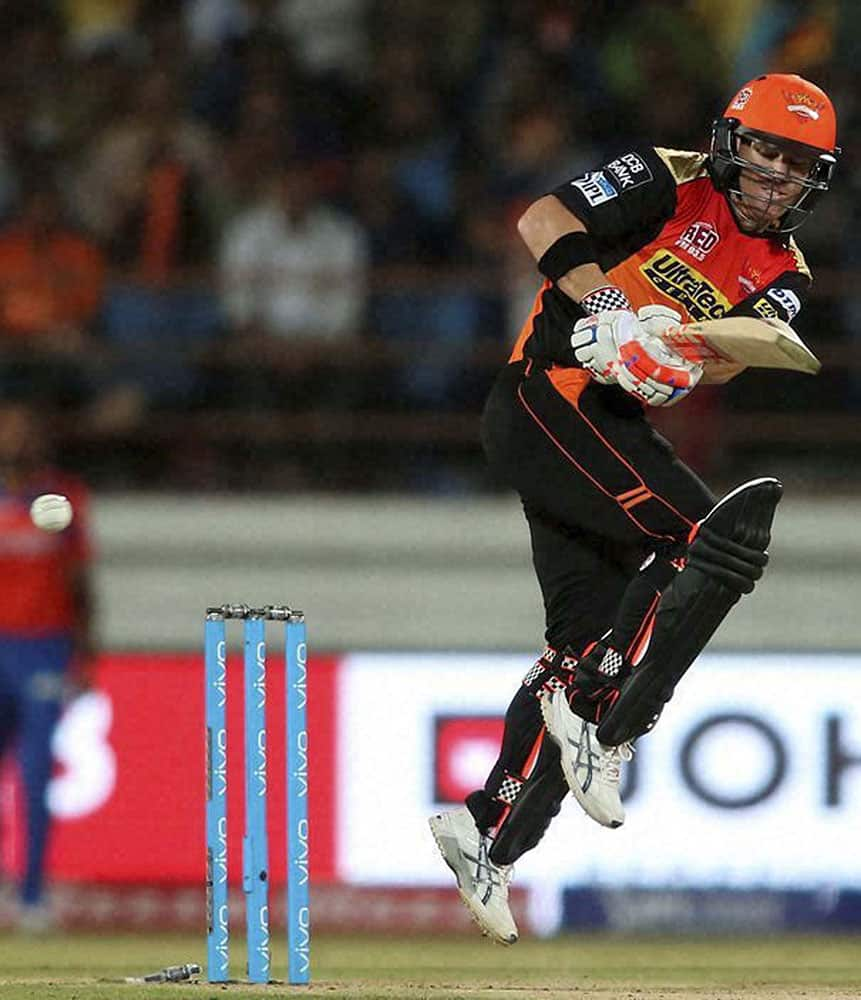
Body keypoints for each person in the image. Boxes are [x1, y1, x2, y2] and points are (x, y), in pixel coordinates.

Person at [429, 73, 839, 944]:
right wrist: (609, 307)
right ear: (731, 142)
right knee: (709, 541)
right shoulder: (669, 175)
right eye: (765, 152)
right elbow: (541, 219)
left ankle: (487, 832)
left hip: (608, 416)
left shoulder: (787, 271)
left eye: (797, 165)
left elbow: (728, 355)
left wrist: (678, 361)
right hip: (548, 392)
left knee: (582, 642)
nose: (776, 177)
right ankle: (605, 723)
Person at [0, 398, 95, 931]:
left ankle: (32, 896)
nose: (15, 440)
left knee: (35, 773)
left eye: (23, 429)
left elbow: (80, 584)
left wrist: (86, 652)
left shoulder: (61, 499)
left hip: (44, 646)